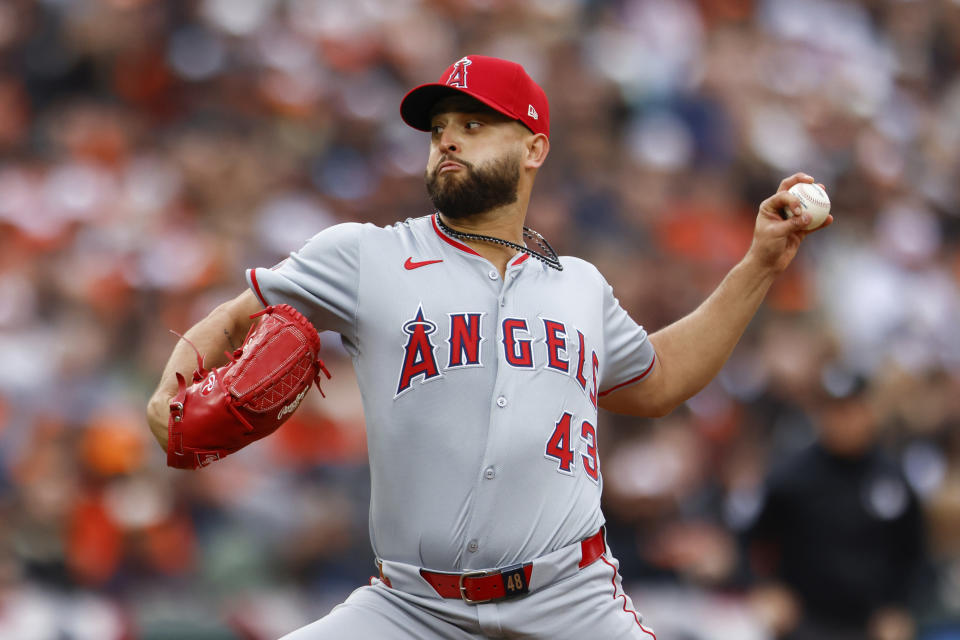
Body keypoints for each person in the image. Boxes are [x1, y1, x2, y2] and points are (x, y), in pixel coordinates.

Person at [146, 55, 831, 639]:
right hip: (410, 606)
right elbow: (236, 321)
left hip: (569, 598)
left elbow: (660, 381)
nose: (448, 141)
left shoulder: (580, 288)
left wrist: (761, 264)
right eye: (439, 129)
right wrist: (167, 398)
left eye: (474, 125)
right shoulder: (366, 256)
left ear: (533, 148)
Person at [744, 371, 927, 640]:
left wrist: (900, 608)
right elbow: (750, 539)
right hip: (805, 622)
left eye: (852, 410)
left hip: (872, 625)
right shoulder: (790, 477)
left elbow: (913, 552)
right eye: (835, 411)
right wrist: (765, 588)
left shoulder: (892, 478)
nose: (844, 420)